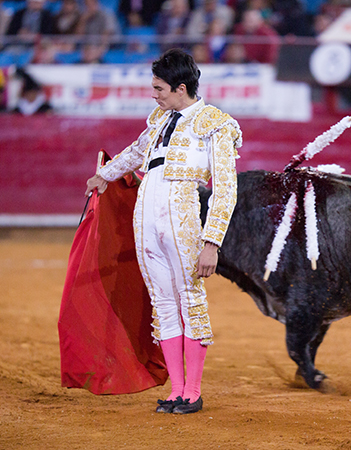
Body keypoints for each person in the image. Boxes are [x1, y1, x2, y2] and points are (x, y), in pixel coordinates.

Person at [84, 48, 242, 414]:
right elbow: (135, 153)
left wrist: (212, 242)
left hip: (182, 215)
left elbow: (225, 188)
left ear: (180, 88)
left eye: (159, 88)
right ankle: (176, 390)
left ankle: (193, 390)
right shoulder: (159, 118)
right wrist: (103, 176)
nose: (153, 94)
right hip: (147, 217)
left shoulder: (216, 123)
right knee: (164, 302)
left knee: (189, 298)